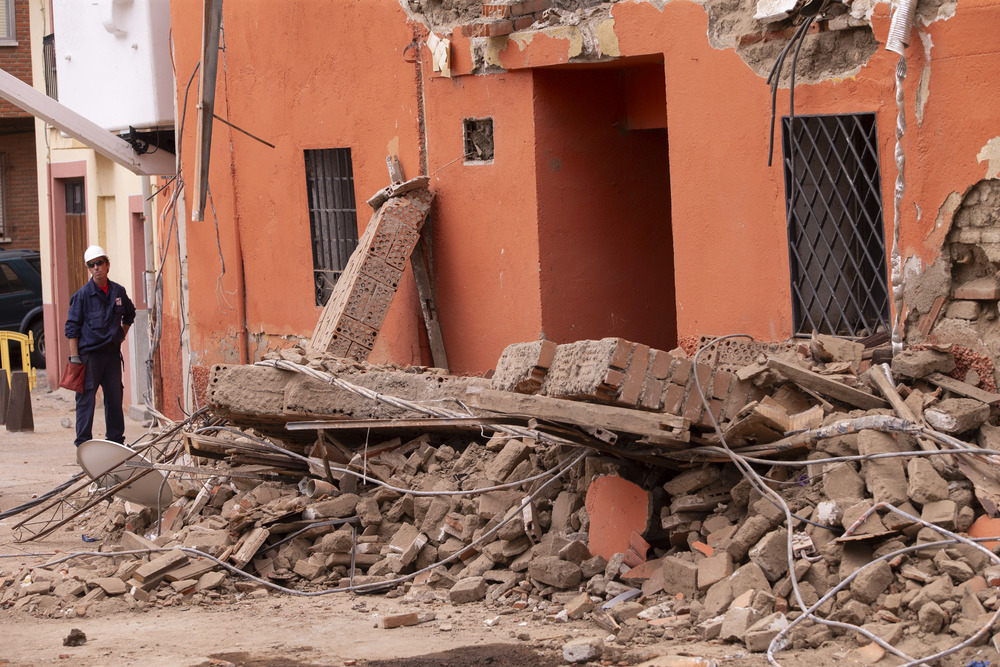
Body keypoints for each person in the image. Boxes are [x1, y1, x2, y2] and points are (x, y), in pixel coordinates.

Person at [65, 245, 136, 447]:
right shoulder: (82, 296)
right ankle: (83, 445)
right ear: (89, 268)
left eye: (99, 263)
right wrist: (75, 359)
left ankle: (116, 443)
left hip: (112, 356)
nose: (96, 268)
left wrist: (121, 335)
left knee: (114, 399)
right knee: (86, 400)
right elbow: (72, 328)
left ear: (107, 265)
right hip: (89, 357)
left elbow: (130, 313)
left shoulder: (118, 291)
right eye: (91, 265)